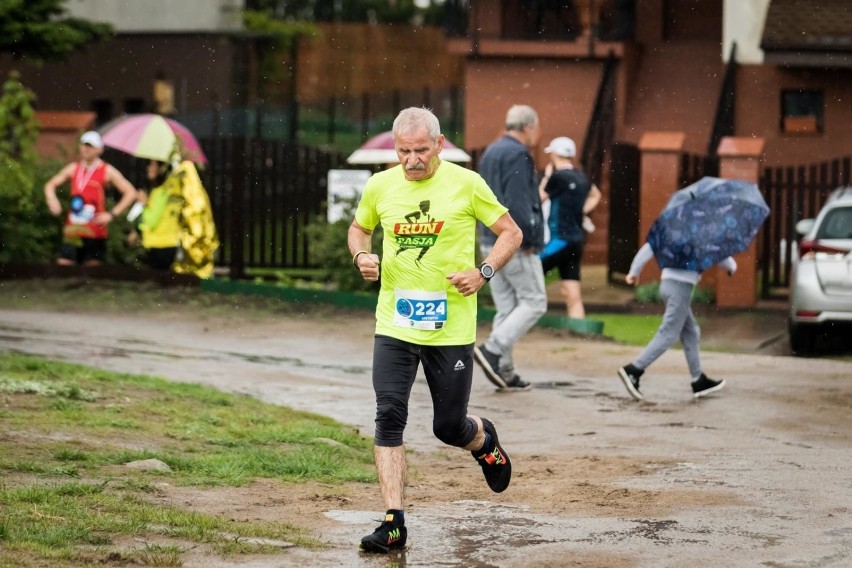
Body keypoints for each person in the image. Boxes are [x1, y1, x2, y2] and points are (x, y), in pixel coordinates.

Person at [348, 107, 522, 553]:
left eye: (421, 150)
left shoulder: (467, 184)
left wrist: (483, 271)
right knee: (388, 414)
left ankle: (484, 442)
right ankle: (394, 522)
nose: (412, 160)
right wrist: (361, 256)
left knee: (448, 426)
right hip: (394, 323)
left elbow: (511, 233)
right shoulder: (380, 185)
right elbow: (359, 228)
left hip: (451, 328)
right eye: (404, 151)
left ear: (440, 145)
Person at [474, 104, 547, 391]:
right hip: (513, 242)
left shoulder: (491, 152)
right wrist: (528, 238)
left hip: (488, 239)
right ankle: (493, 350)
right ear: (529, 127)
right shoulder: (518, 154)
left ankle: (504, 369)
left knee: (507, 307)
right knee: (535, 301)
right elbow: (518, 202)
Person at [617, 242, 737, 400]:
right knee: (668, 333)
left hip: (667, 284)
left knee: (690, 331)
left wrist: (634, 271)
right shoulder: (701, 233)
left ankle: (698, 380)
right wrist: (731, 267)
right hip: (680, 288)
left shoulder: (673, 230)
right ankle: (634, 370)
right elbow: (719, 253)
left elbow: (649, 247)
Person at [44, 131, 137, 266]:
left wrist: (112, 214)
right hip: (74, 229)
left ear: (99, 149)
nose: (85, 149)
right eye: (84, 145)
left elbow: (130, 192)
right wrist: (52, 199)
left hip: (95, 230)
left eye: (90, 146)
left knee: (93, 269)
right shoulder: (73, 168)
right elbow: (50, 184)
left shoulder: (107, 170)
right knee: (64, 263)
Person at [538, 136, 602, 319]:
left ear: (554, 155)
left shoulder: (558, 177)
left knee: (530, 272)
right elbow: (596, 195)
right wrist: (580, 210)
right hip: (576, 242)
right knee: (571, 292)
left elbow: (539, 199)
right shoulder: (581, 177)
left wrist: (547, 178)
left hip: (559, 240)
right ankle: (580, 331)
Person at [128, 160, 182, 271]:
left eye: (153, 165)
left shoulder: (160, 192)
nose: (148, 168)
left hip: (159, 245)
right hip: (170, 242)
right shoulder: (172, 190)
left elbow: (151, 221)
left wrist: (145, 204)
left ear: (162, 169)